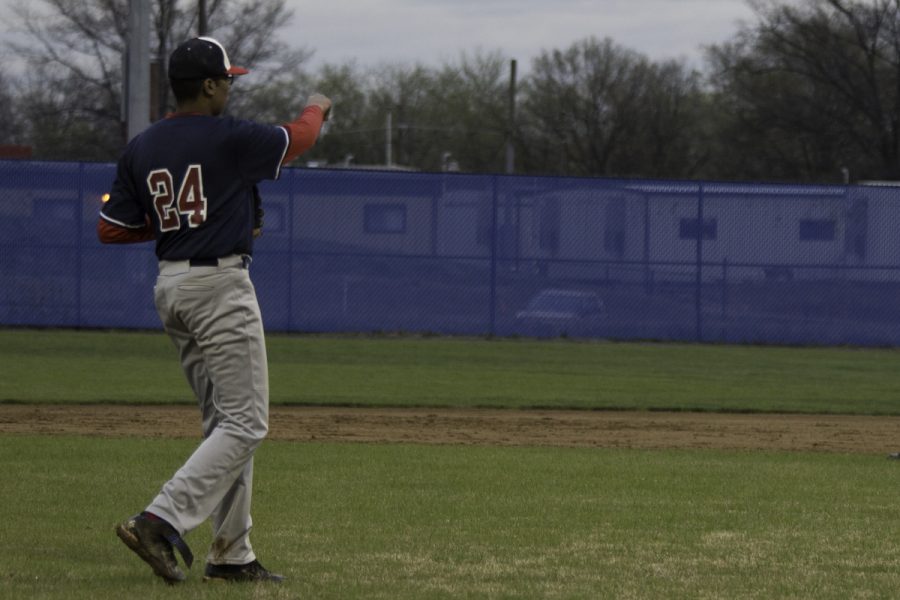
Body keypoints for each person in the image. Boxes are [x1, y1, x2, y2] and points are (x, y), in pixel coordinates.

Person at [98, 36, 331, 584]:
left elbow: (112, 228)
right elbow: (301, 138)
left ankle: (232, 556)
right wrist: (317, 104)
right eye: (227, 79)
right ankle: (160, 517)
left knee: (223, 425)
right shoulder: (229, 136)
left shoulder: (143, 145)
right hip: (219, 286)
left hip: (172, 287)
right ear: (206, 86)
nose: (231, 86)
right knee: (247, 423)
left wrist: (183, 219)